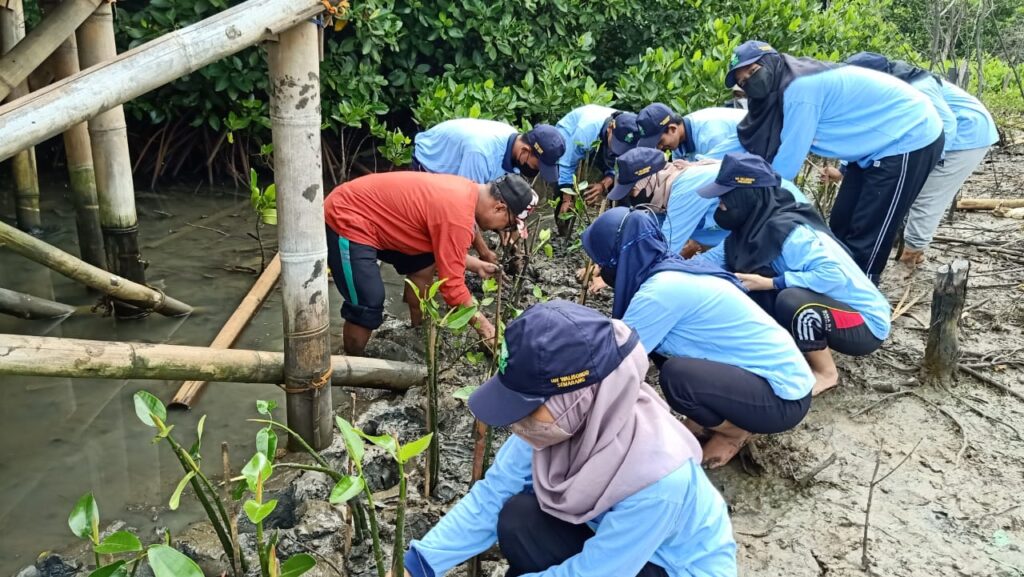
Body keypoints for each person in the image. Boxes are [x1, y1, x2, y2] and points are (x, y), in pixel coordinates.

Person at [398, 300, 737, 577]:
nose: (517, 420)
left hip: (671, 567)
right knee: (519, 518)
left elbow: (601, 572)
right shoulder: (555, 426)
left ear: (580, 398)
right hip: (611, 544)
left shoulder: (660, 482)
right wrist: (417, 566)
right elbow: (492, 496)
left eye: (529, 406)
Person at [581, 207, 815, 467]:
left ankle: (733, 432)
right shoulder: (671, 270)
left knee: (677, 375)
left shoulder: (660, 292)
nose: (601, 270)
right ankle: (708, 420)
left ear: (621, 259)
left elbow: (614, 365)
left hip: (781, 400)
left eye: (603, 263)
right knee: (662, 355)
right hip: (771, 381)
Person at [725, 40, 945, 282]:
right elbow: (755, 146)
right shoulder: (783, 86)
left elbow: (787, 163)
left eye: (753, 71)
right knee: (841, 221)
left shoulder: (799, 89)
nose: (749, 81)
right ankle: (838, 283)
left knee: (869, 229)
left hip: (908, 133)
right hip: (869, 147)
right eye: (743, 81)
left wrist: (755, 199)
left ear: (771, 62)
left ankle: (862, 296)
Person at [692, 153, 891, 395]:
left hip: (863, 322)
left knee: (790, 299)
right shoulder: (749, 231)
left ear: (746, 196)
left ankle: (826, 373)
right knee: (743, 286)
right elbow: (708, 264)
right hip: (830, 307)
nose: (720, 205)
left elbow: (833, 275)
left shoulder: (791, 233)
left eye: (724, 199)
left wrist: (772, 282)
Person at [324, 171, 537, 356]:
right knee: (368, 301)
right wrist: (487, 329)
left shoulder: (466, 192)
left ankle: (418, 331)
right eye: (507, 225)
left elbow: (443, 250)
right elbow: (452, 290)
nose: (502, 231)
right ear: (500, 208)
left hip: (381, 222)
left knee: (425, 261)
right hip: (349, 216)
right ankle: (354, 362)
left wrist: (475, 264)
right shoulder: (457, 216)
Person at [844, 52, 999, 267]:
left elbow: (948, 125)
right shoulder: (884, 88)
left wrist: (927, 164)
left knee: (926, 196)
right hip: (935, 134)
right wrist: (844, 168)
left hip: (967, 134)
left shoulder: (918, 86)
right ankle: (905, 247)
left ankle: (912, 256)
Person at [607, 147, 808, 258]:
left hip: (782, 217)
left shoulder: (684, 187)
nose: (632, 199)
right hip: (751, 239)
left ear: (650, 178)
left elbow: (664, 251)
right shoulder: (664, 195)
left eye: (632, 190)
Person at [413, 118, 565, 263]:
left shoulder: (515, 147)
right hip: (430, 165)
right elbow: (465, 208)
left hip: (461, 172)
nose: (537, 171)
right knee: (434, 241)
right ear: (525, 151)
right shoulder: (481, 154)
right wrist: (484, 252)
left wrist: (506, 229)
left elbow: (503, 195)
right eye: (538, 166)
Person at [553, 106, 640, 215]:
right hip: (570, 134)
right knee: (562, 194)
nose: (619, 150)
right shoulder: (585, 133)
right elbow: (566, 163)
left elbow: (623, 165)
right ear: (610, 128)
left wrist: (604, 184)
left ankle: (621, 219)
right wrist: (567, 199)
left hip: (600, 139)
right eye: (616, 144)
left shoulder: (633, 127)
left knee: (622, 188)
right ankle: (563, 228)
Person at [635, 102, 746, 161]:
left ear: (672, 129)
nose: (659, 147)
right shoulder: (677, 140)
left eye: (659, 141)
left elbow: (717, 172)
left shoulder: (710, 136)